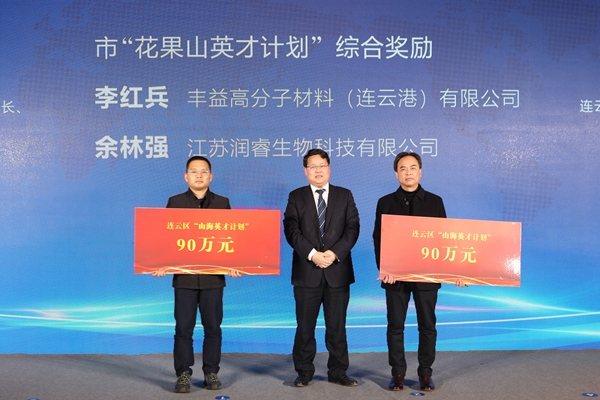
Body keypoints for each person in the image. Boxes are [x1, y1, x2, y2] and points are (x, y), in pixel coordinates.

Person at [372, 152, 466, 392]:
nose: (408, 172)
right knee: (395, 326)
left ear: (420, 172)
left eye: (413, 168)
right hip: (396, 277)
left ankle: (425, 373)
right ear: (396, 174)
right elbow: (378, 238)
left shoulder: (435, 202)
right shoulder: (385, 202)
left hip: (427, 276)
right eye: (403, 168)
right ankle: (398, 373)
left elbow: (444, 240)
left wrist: (455, 271)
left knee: (427, 326)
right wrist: (385, 268)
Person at [153, 156, 240, 394]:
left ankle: (211, 372)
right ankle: (183, 373)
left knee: (213, 328)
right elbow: (165, 237)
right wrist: (159, 263)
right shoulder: (175, 202)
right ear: (186, 176)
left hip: (213, 279)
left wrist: (237, 264)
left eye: (204, 171)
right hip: (185, 279)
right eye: (194, 171)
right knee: (183, 328)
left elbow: (232, 238)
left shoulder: (222, 203)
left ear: (211, 176)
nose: (199, 175)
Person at [283, 149, 360, 388]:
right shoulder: (296, 197)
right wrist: (313, 254)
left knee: (337, 327)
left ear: (329, 168)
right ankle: (304, 371)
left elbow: (353, 227)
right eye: (313, 166)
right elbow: (291, 230)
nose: (318, 170)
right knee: (305, 327)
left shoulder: (344, 195)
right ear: (305, 171)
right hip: (307, 272)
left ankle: (338, 371)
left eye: (322, 166)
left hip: (338, 271)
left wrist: (334, 254)